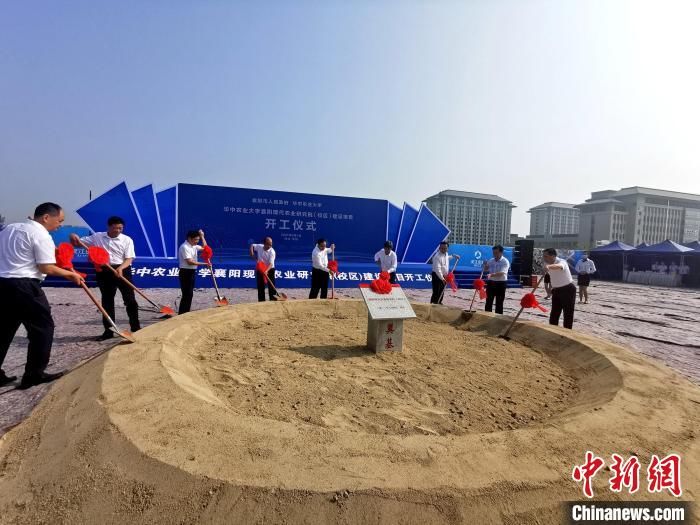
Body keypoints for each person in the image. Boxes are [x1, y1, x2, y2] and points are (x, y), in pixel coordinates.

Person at [0, 203, 84, 389]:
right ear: (46, 217)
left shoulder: (9, 228)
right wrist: (70, 274)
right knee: (42, 329)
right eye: (59, 221)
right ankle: (34, 374)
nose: (59, 225)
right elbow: (45, 267)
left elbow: (21, 254)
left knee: (4, 330)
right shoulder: (41, 234)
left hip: (3, 283)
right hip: (25, 286)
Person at [71, 216, 140, 340]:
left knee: (130, 299)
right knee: (107, 301)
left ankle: (136, 327)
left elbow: (129, 258)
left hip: (122, 269)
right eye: (115, 228)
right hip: (104, 270)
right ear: (109, 227)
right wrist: (73, 236)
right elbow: (77, 242)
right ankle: (108, 331)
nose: (118, 230)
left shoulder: (127, 239)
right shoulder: (97, 237)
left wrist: (121, 268)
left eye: (120, 228)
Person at [542, 247, 576, 329]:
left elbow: (559, 266)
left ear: (553, 256)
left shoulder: (562, 261)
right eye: (543, 256)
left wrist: (549, 267)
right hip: (556, 290)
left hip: (567, 289)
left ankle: (567, 332)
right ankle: (553, 330)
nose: (544, 258)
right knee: (554, 313)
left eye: (546, 256)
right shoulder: (547, 264)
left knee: (568, 313)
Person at [177, 229, 208, 314]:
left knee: (190, 294)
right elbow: (189, 261)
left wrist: (202, 236)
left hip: (192, 272)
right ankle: (182, 313)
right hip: (185, 272)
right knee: (187, 294)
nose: (197, 242)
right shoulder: (184, 247)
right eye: (195, 240)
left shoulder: (194, 246)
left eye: (198, 240)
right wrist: (204, 264)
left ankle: (185, 313)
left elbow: (205, 248)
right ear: (189, 238)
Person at [483, 245, 510, 314]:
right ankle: (487, 316)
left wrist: (492, 275)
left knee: (499, 302)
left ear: (501, 253)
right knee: (488, 301)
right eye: (494, 253)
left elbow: (502, 273)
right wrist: (485, 265)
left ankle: (498, 319)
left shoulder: (505, 261)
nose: (495, 254)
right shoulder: (491, 260)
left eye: (496, 253)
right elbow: (486, 269)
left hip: (501, 283)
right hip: (491, 283)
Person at [250, 237, 277, 302]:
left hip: (270, 269)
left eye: (271, 244)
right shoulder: (259, 247)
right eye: (268, 244)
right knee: (260, 285)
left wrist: (266, 271)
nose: (270, 246)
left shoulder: (272, 251)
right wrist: (252, 253)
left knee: (271, 286)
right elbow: (252, 245)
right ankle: (261, 301)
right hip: (261, 268)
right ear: (264, 244)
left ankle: (273, 300)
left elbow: (271, 264)